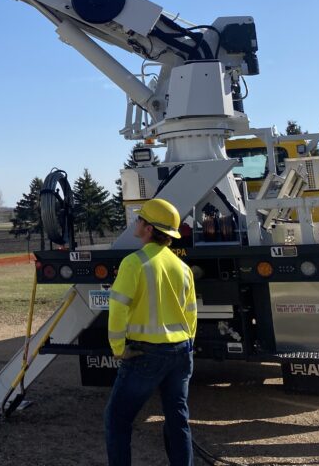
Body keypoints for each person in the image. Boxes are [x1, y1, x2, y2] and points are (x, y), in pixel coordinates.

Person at [104, 198, 197, 466]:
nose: (136, 222)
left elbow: (118, 309)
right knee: (177, 419)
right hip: (181, 351)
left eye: (140, 219)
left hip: (146, 353)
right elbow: (191, 313)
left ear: (148, 229)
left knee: (117, 419)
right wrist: (188, 345)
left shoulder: (134, 263)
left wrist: (119, 349)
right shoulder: (183, 267)